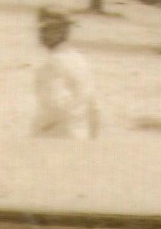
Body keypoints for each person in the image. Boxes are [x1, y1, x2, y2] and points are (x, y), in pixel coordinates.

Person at [29, 10, 105, 140]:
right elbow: (93, 105)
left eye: (45, 30)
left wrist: (38, 131)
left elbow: (55, 107)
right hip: (81, 135)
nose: (40, 35)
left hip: (56, 138)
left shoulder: (52, 64)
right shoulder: (80, 60)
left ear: (60, 32)